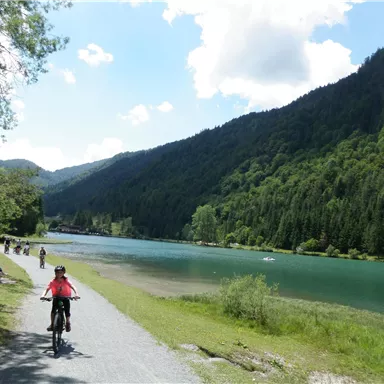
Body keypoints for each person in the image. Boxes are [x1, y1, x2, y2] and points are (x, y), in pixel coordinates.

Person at [40, 265, 80, 332]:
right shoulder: (53, 281)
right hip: (56, 296)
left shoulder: (66, 280)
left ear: (64, 273)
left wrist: (76, 294)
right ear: (55, 273)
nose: (59, 274)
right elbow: (47, 289)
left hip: (66, 297)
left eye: (61, 272)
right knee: (53, 310)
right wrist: (43, 295)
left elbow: (73, 287)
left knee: (67, 310)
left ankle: (67, 322)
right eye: (57, 272)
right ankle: (52, 324)